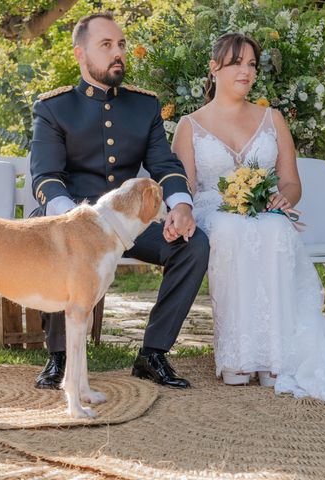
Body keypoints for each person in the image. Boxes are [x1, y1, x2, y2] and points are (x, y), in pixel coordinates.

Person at [172, 32, 325, 431]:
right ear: (214, 67)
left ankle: (276, 356)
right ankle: (237, 358)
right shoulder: (189, 126)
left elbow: (290, 182)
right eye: (237, 62)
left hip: (263, 207)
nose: (246, 71)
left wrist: (281, 199)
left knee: (275, 230)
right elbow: (183, 188)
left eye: (252, 64)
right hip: (214, 209)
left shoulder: (272, 119)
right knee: (231, 230)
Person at [29, 12, 209, 391]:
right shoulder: (54, 108)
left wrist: (180, 206)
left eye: (121, 45)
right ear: (81, 54)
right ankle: (60, 357)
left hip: (130, 224)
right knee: (59, 244)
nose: (118, 54)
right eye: (106, 45)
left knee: (194, 245)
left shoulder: (144, 106)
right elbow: (46, 177)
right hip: (71, 218)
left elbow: (165, 165)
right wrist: (71, 216)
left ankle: (153, 353)